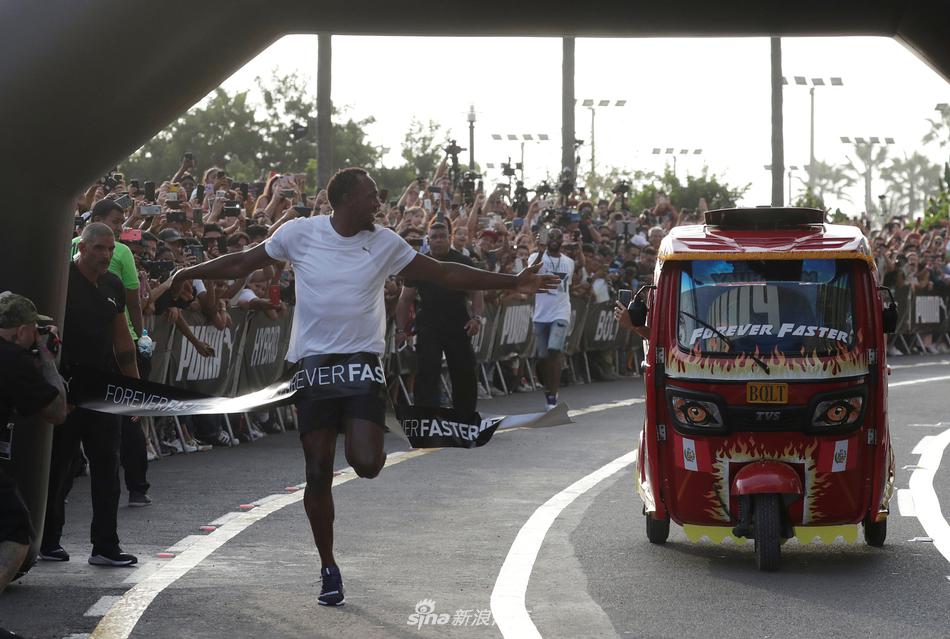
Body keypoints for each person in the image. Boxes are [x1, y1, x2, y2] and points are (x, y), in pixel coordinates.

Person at [170, 167, 557, 606]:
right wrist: (187, 273)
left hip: (361, 366)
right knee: (316, 471)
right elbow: (243, 262)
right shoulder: (300, 233)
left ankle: (358, 438)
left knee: (367, 462)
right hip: (313, 366)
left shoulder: (385, 241)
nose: (379, 204)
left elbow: (444, 273)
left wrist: (514, 282)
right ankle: (328, 568)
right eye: (372, 196)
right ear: (347, 199)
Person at [42, 223, 140, 567]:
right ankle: (48, 539)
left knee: (107, 467)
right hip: (68, 386)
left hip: (104, 388)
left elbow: (123, 340)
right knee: (59, 467)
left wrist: (134, 388)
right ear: (81, 248)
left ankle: (105, 546)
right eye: (99, 248)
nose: (106, 255)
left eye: (110, 249)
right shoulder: (62, 280)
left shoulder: (113, 284)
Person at [0, 293, 67, 639]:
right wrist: (46, 356)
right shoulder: (12, 358)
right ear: (23, 330)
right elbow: (56, 411)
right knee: (15, 534)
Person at [395, 220, 483, 415]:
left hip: (458, 324)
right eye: (434, 237)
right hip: (429, 325)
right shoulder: (419, 265)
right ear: (428, 240)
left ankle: (465, 416)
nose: (439, 241)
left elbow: (476, 292)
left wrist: (476, 318)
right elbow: (404, 299)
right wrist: (401, 330)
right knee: (427, 371)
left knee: (464, 371)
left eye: (443, 237)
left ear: (449, 239)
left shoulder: (463, 262)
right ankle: (426, 418)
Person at [529, 227, 574, 410]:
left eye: (557, 236)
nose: (554, 239)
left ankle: (552, 397)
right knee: (542, 357)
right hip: (541, 314)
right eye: (551, 236)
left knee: (554, 350)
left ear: (562, 240)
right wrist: (540, 251)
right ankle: (548, 389)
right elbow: (531, 272)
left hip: (561, 312)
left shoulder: (569, 262)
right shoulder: (536, 257)